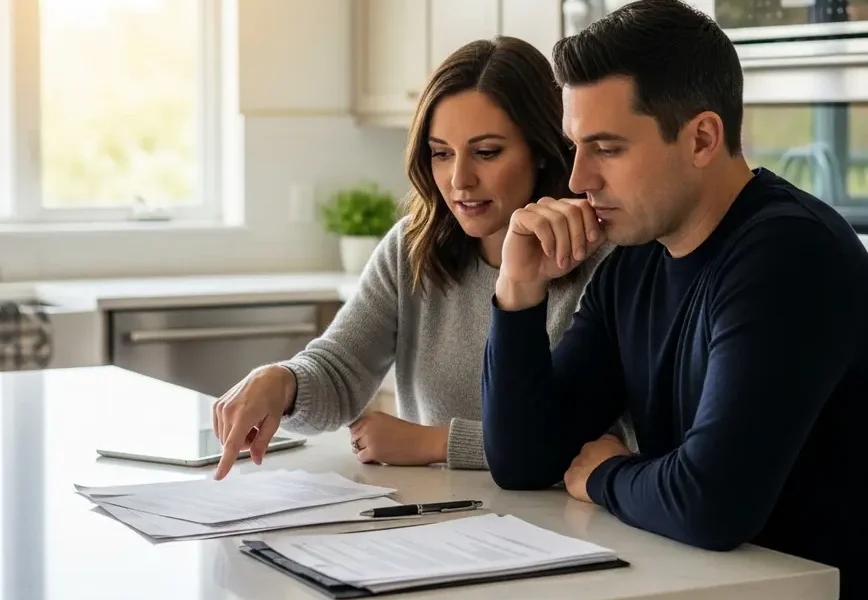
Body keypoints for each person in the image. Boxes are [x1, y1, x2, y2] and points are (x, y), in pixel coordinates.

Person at [480, 1, 867, 598]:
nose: (579, 179)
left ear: (702, 138)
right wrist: (518, 290)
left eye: (607, 148)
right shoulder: (634, 262)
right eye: (576, 145)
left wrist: (605, 473)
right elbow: (523, 461)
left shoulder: (789, 254)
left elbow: (713, 503)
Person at [212, 36, 624, 480]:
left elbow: (597, 441)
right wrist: (282, 382)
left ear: (543, 151)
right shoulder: (414, 245)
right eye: (441, 153)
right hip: (433, 518)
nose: (459, 179)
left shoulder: (606, 258)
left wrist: (435, 443)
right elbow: (339, 369)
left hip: (565, 529)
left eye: (486, 152)